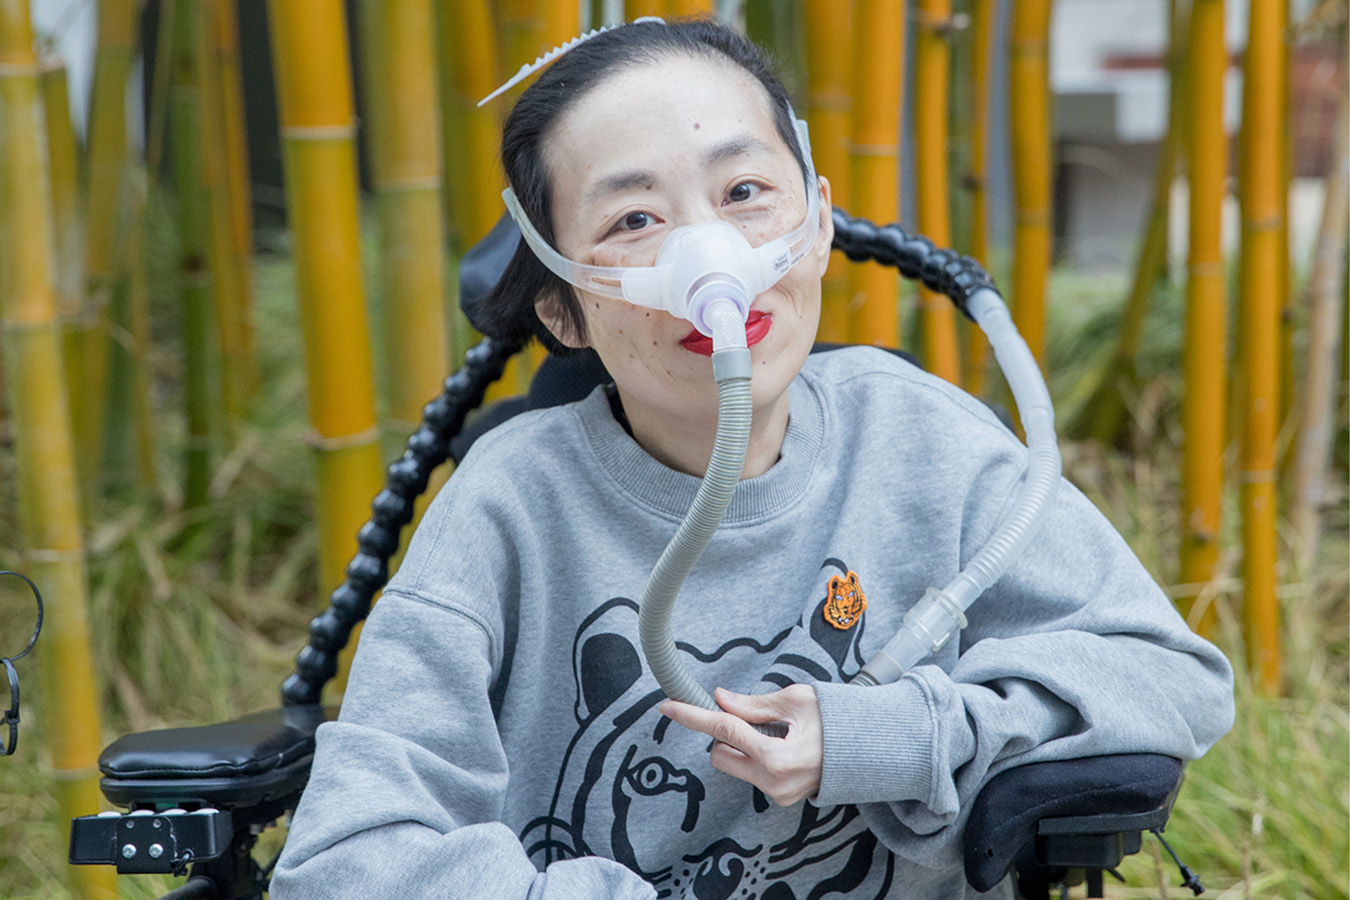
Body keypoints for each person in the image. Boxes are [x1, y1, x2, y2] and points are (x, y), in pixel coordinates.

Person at [270, 18, 1233, 900]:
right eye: (634, 221)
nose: (711, 259)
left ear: (815, 222)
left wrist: (889, 737)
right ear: (562, 306)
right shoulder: (509, 509)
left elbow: (1170, 678)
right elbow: (345, 858)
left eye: (743, 194)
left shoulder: (925, 444)